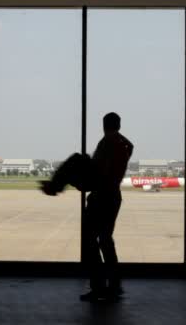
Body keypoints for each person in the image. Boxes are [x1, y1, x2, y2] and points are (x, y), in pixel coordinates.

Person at [80, 112, 133, 302]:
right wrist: (118, 134)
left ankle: (99, 285)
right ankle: (114, 284)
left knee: (90, 240)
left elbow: (97, 170)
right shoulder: (122, 145)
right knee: (106, 240)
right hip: (114, 196)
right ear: (118, 126)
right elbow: (131, 145)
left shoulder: (106, 144)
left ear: (104, 125)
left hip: (101, 196)